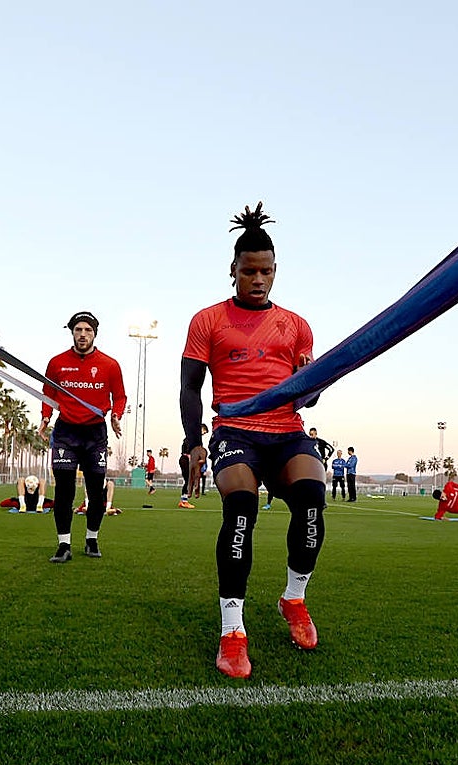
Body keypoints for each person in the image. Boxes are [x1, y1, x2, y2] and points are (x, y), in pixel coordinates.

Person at [180, 202, 328, 679]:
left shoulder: (296, 325)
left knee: (311, 498)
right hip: (234, 431)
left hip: (285, 431)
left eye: (266, 271)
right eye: (249, 271)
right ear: (233, 271)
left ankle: (294, 600)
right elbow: (189, 387)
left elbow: (308, 402)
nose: (258, 279)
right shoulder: (208, 320)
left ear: (275, 272)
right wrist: (192, 441)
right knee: (240, 506)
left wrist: (312, 383)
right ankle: (232, 631)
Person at [38, 310, 126, 563]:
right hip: (66, 432)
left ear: (95, 334)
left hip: (94, 434)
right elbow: (48, 394)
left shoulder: (110, 365)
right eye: (79, 330)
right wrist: (45, 417)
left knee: (96, 492)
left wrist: (115, 415)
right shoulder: (57, 363)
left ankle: (91, 539)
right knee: (64, 492)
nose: (83, 334)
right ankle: (63, 545)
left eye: (88, 330)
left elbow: (119, 396)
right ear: (72, 332)